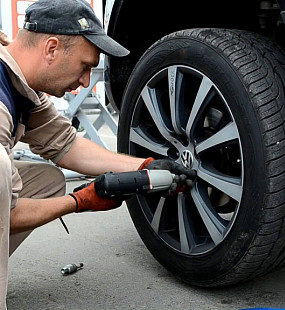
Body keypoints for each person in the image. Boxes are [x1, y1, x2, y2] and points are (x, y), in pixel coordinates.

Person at [0, 0, 196, 308]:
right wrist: (78, 202)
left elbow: (67, 145)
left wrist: (145, 165)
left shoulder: (20, 85)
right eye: (85, 66)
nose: (85, 82)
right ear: (51, 49)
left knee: (45, 180)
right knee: (2, 171)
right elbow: (5, 214)